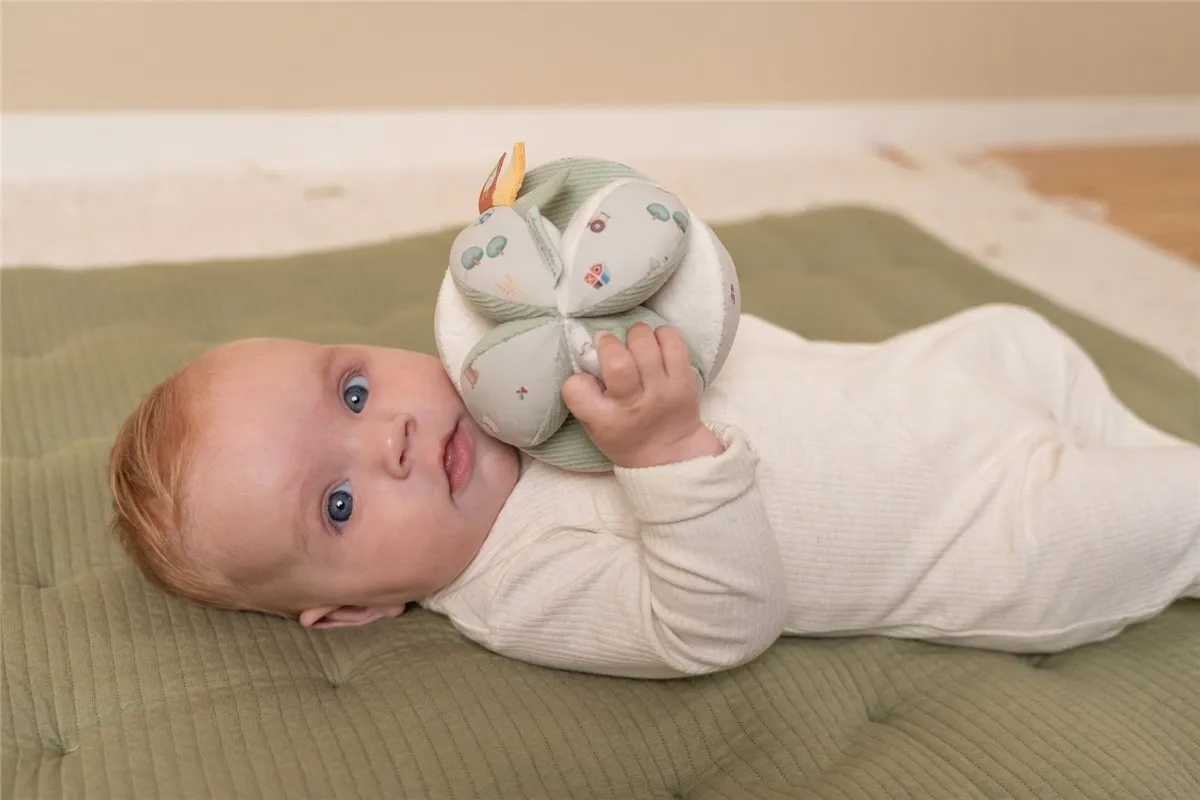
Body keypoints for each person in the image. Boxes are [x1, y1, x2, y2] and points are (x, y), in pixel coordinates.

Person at [108, 303, 1200, 679]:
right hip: (1002, 527)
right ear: (354, 607)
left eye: (353, 389)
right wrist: (663, 450)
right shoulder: (517, 587)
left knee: (1021, 336)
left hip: (943, 380)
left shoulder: (517, 369)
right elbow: (715, 626)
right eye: (337, 507)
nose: (387, 437)